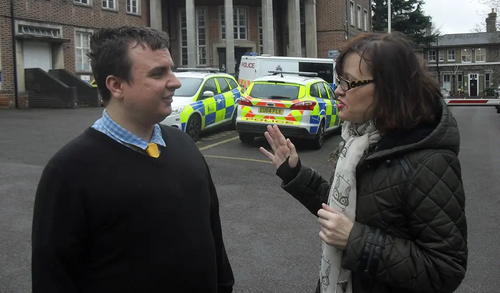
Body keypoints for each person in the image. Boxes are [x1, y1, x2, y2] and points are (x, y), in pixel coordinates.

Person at [32, 26, 234, 293]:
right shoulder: (69, 171)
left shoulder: (184, 144)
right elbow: (54, 278)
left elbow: (212, 235)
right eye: (158, 73)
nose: (175, 81)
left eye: (171, 70)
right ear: (116, 86)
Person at [260, 32, 467, 293]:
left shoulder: (430, 161)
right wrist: (295, 173)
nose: (338, 90)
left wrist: (356, 240)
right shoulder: (361, 141)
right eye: (339, 81)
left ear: (388, 88)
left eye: (349, 83)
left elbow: (445, 269)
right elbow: (344, 208)